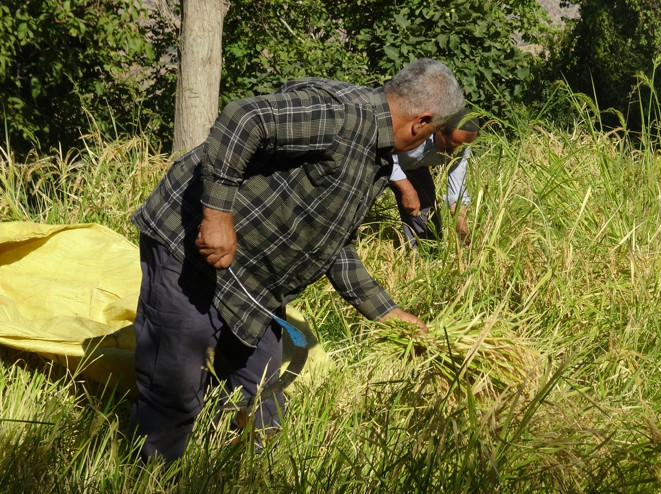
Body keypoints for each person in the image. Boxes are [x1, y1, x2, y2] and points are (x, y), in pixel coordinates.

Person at [128, 58, 465, 462]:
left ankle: (237, 477)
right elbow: (243, 118)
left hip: (252, 278)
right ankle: (149, 476)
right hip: (187, 249)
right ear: (421, 122)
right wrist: (216, 216)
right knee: (174, 391)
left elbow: (333, 244)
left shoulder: (374, 155)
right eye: (432, 132)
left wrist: (387, 312)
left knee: (263, 392)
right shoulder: (343, 116)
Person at [389, 109, 479, 247]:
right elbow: (385, 153)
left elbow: (457, 188)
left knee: (428, 222)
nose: (452, 152)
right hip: (377, 162)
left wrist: (461, 228)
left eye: (459, 148)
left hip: (413, 169)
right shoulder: (416, 126)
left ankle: (424, 257)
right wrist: (407, 189)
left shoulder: (460, 146)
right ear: (438, 129)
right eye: (449, 146)